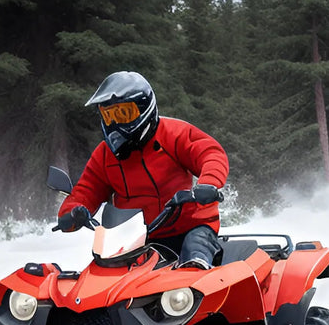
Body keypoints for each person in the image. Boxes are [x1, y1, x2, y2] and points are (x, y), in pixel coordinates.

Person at [57, 71, 228, 269]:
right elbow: (87, 189)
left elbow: (210, 154)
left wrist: (208, 183)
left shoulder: (174, 133)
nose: (116, 124)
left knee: (194, 262)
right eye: (109, 116)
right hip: (134, 237)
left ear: (145, 109)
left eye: (123, 113)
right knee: (104, 278)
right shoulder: (105, 154)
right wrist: (72, 212)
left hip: (188, 226)